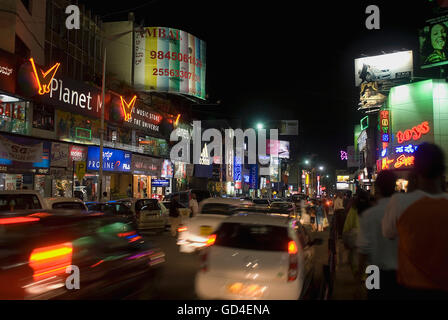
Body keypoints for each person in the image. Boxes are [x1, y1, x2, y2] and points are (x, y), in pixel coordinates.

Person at [382, 143, 448, 299]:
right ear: (442, 171)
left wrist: (410, 191)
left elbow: (387, 232)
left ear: (414, 171)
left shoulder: (399, 202)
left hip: (411, 286)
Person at [357, 170, 398, 300]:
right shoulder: (405, 212)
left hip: (374, 270)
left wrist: (359, 282)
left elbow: (363, 250)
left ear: (377, 188)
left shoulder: (369, 215)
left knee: (374, 297)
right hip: (401, 272)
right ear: (395, 187)